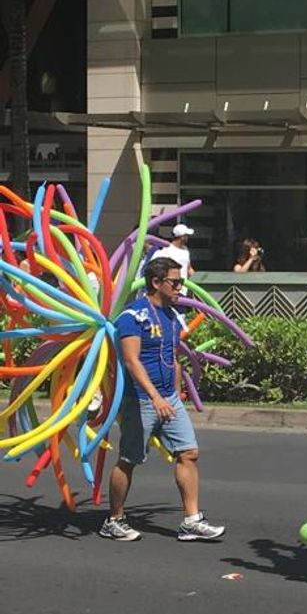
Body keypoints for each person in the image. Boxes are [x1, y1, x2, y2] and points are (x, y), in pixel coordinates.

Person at [100, 257, 225, 542]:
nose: (181, 288)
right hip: (140, 400)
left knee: (189, 452)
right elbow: (131, 361)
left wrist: (177, 391)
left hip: (169, 398)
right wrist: (155, 397)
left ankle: (191, 521)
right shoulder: (133, 316)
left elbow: (174, 357)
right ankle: (114, 520)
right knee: (129, 459)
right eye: (175, 282)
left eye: (182, 282)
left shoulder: (172, 316)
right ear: (156, 282)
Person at [151, 223, 195, 290]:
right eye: (186, 235)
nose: (188, 237)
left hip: (183, 290)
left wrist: (198, 280)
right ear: (182, 237)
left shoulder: (185, 251)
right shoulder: (165, 251)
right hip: (170, 290)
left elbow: (188, 268)